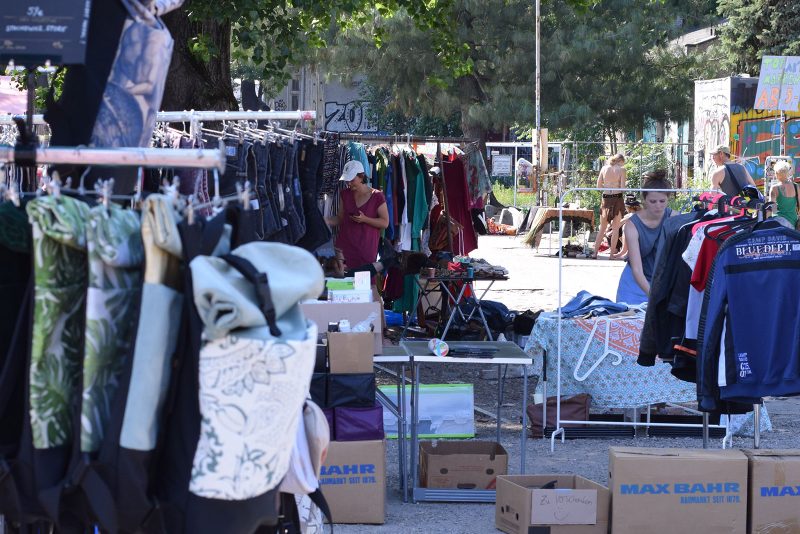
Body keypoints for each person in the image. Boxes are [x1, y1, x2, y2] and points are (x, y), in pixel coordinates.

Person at [615, 172, 676, 304]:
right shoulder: (632, 225)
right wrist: (654, 297)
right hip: (634, 284)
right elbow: (637, 269)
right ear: (644, 200)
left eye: (662, 201)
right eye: (653, 201)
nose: (658, 206)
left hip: (663, 283)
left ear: (668, 199)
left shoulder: (675, 218)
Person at [326, 160, 393, 277]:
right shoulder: (345, 194)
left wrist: (365, 219)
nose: (349, 183)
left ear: (361, 177)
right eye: (347, 180)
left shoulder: (377, 196)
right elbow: (340, 218)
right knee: (342, 285)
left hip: (366, 249)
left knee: (365, 285)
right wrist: (324, 220)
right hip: (344, 249)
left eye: (352, 180)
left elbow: (385, 223)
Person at [592, 153, 627, 258]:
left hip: (606, 198)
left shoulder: (604, 168)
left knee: (602, 228)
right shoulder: (622, 170)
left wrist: (607, 185)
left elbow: (598, 186)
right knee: (616, 228)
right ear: (620, 161)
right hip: (617, 198)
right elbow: (622, 188)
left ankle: (595, 253)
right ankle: (612, 254)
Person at [608, 193, 642, 260]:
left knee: (626, 227)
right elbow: (619, 223)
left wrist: (611, 231)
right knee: (625, 227)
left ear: (628, 207)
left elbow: (620, 223)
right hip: (638, 233)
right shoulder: (633, 213)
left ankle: (624, 252)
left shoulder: (633, 214)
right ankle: (623, 251)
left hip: (640, 234)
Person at [768, 160, 798, 229]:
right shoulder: (796, 186)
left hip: (778, 222)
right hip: (793, 222)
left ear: (777, 173)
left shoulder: (774, 188)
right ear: (787, 173)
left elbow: (772, 207)